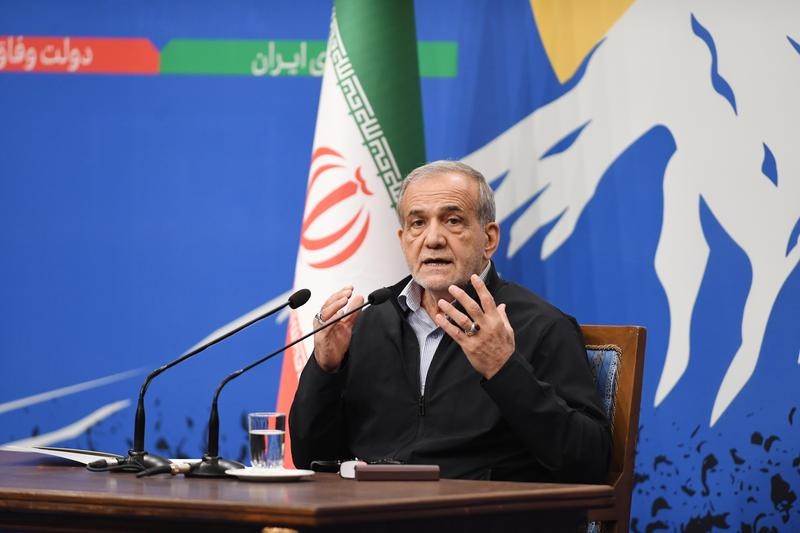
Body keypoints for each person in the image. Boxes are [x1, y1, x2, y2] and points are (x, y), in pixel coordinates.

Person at [290, 160, 611, 483]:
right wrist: (324, 371)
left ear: (489, 239)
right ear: (403, 239)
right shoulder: (367, 324)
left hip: (479, 508)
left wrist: (504, 368)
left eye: (453, 221)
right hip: (374, 505)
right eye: (418, 223)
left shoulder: (540, 326)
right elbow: (314, 459)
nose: (432, 239)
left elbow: (589, 462)